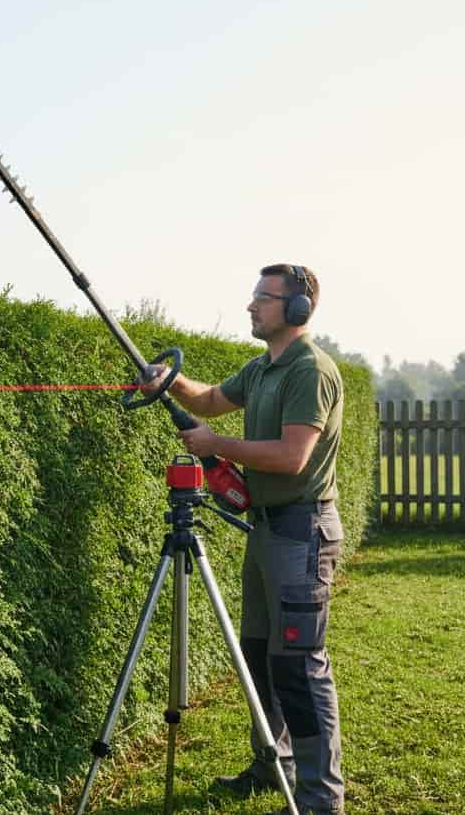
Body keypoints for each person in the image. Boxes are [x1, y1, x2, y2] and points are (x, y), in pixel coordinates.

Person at [142, 263, 345, 815]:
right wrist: (170, 382)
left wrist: (217, 446)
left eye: (263, 297)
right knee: (260, 656)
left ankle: (321, 799)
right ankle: (270, 765)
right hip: (266, 531)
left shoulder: (311, 371)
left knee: (300, 666)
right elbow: (208, 400)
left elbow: (291, 456)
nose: (251, 306)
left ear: (298, 309)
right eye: (254, 295)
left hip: (303, 532)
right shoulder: (262, 369)